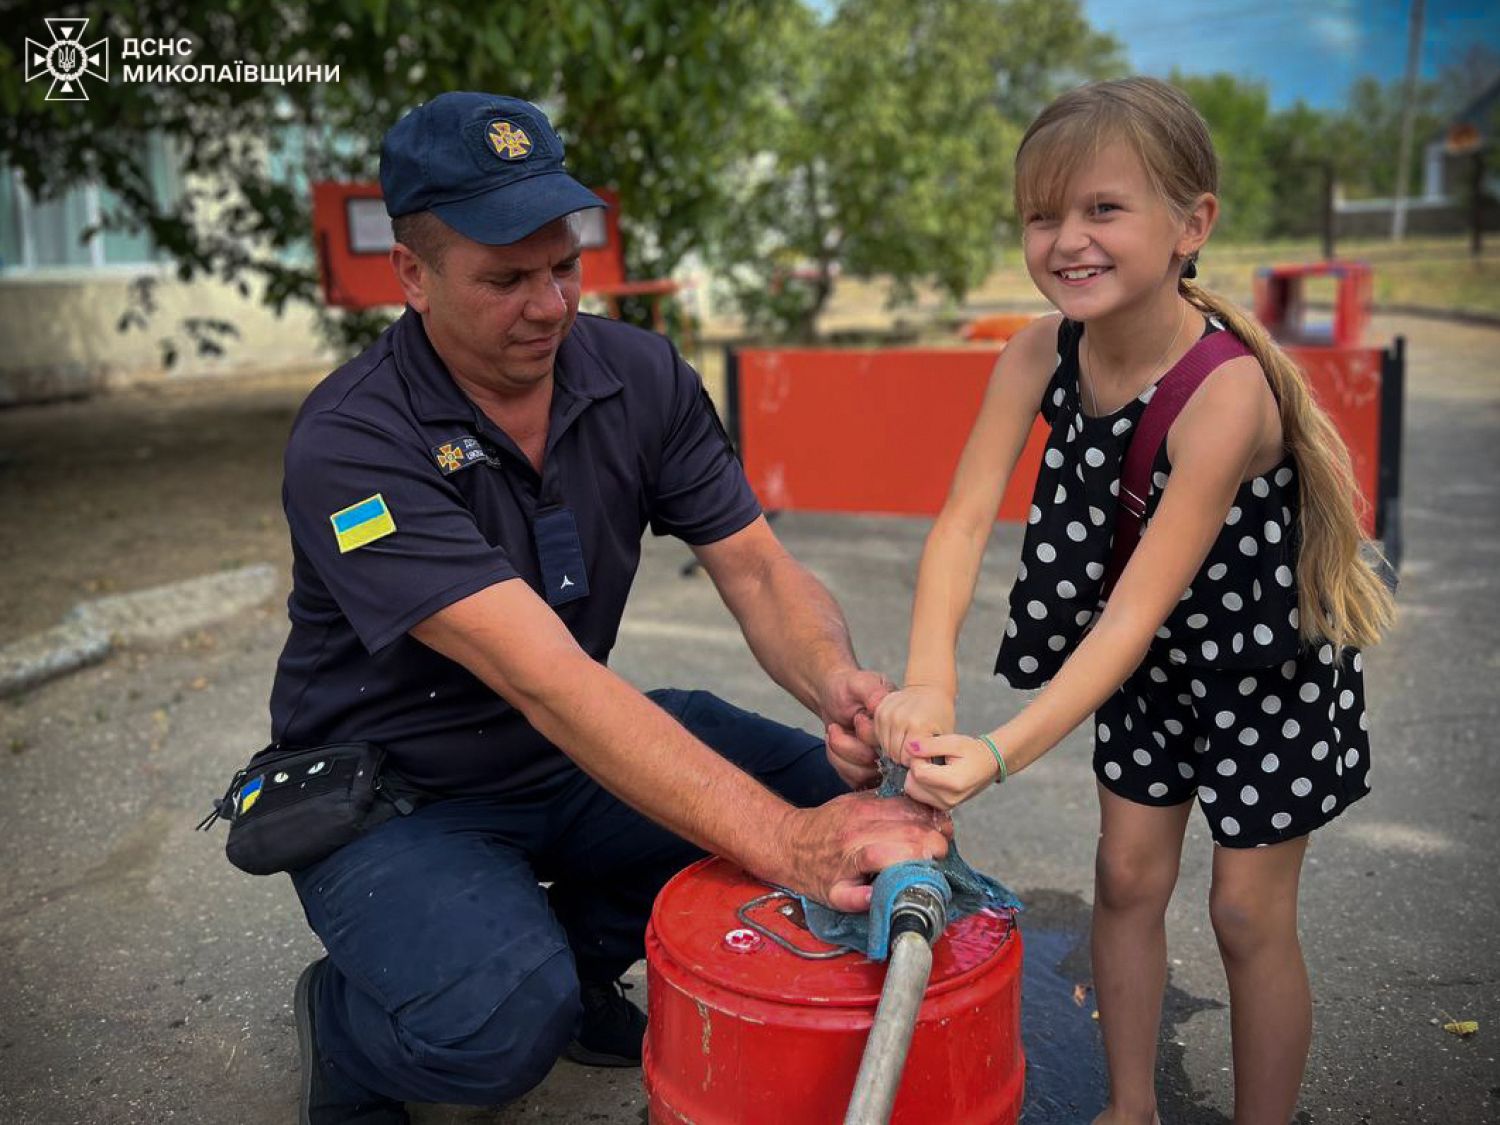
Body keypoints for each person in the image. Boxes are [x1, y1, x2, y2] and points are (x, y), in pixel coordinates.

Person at [269, 91, 948, 1124]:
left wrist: (839, 682)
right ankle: (356, 1033)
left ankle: (584, 959)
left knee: (841, 799)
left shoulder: (638, 374)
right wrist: (787, 842)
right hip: (399, 794)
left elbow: (760, 573)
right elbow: (545, 676)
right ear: (410, 276)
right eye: (505, 279)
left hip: (564, 750)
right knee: (494, 1026)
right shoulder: (352, 444)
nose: (550, 306)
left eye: (564, 265)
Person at [874, 78, 1395, 1125]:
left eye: (1102, 209)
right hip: (1148, 678)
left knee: (1247, 914)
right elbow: (965, 523)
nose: (1067, 238)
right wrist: (931, 681)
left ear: (1190, 224)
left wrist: (1001, 751)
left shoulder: (1225, 390)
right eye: (1043, 214)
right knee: (1123, 881)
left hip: (1265, 679)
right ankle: (1127, 1108)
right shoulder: (1036, 353)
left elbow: (1130, 612)